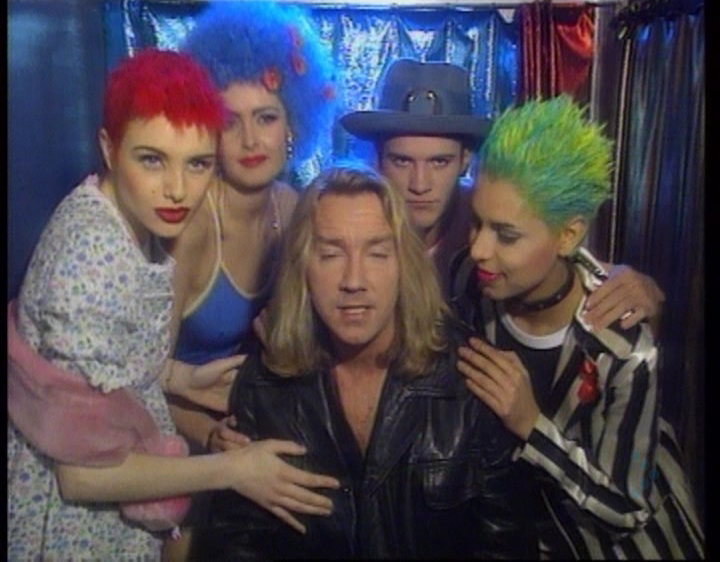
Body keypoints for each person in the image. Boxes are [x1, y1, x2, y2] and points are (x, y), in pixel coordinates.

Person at [7, 48, 339, 561]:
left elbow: (107, 371)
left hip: (131, 494)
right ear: (109, 148)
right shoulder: (92, 255)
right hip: (75, 522)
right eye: (152, 159)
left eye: (196, 163)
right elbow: (81, 476)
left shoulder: (128, 217)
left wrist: (178, 377)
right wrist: (234, 469)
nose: (178, 189)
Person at [189, 164, 538, 559]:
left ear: (403, 264)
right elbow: (237, 544)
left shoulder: (469, 377)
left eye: (376, 253)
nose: (354, 281)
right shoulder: (266, 379)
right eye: (331, 254)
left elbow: (506, 545)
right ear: (303, 267)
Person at [450, 95, 704, 558]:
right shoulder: (471, 285)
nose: (480, 249)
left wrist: (532, 426)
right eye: (476, 223)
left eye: (506, 234)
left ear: (568, 235)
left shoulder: (623, 346)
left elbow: (628, 510)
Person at [339, 58, 665, 329]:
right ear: (378, 160)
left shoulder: (489, 212)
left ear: (465, 160)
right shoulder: (352, 224)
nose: (420, 184)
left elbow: (569, 262)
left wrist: (640, 288)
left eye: (440, 162)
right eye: (402, 161)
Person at [165, 0, 337, 455]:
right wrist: (207, 436)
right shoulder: (192, 227)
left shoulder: (293, 207)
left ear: (293, 125)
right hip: (176, 433)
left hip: (253, 421)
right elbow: (137, 376)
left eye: (266, 118)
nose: (250, 140)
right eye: (230, 122)